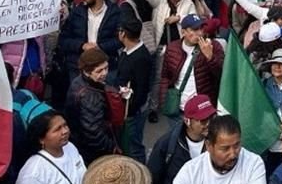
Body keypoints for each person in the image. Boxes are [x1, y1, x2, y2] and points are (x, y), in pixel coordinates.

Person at [161, 115, 268, 184]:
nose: (233, 154)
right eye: (225, 149)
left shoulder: (253, 163)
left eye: (236, 145)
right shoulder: (190, 171)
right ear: (208, 146)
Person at [147, 94, 217, 184]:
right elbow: (153, 183)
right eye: (203, 120)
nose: (209, 124)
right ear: (187, 121)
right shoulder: (166, 144)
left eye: (212, 117)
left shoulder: (218, 142)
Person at [15, 110, 87, 184]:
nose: (65, 131)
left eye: (65, 125)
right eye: (58, 129)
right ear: (41, 139)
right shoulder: (32, 173)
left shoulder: (70, 148)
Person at [159, 14, 224, 123]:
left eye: (201, 28)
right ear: (183, 32)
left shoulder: (213, 46)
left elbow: (222, 75)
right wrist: (164, 100)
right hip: (178, 110)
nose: (199, 33)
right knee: (176, 139)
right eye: (194, 29)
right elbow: (165, 76)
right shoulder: (172, 48)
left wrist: (210, 57)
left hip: (202, 111)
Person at [57, 0, 123, 79]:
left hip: (106, 66)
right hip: (78, 66)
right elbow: (63, 39)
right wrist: (82, 46)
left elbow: (120, 39)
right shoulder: (76, 12)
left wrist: (100, 47)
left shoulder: (115, 12)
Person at [64, 48, 119, 164]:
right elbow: (94, 133)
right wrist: (113, 148)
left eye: (106, 68)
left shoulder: (79, 82)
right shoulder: (89, 97)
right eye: (99, 71)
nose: (104, 73)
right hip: (92, 152)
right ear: (86, 72)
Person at [114, 18, 153, 164]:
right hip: (126, 108)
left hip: (133, 111)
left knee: (134, 146)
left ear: (123, 34)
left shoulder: (141, 57)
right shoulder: (126, 52)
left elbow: (141, 90)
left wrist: (129, 111)